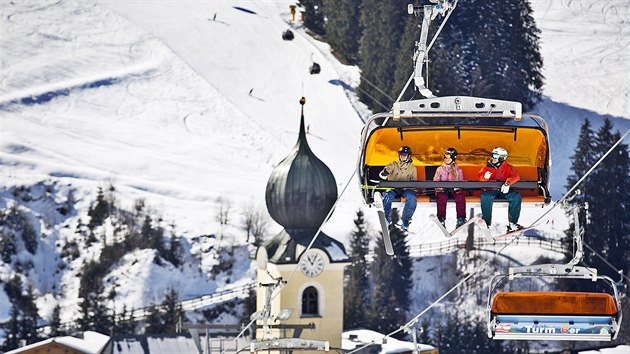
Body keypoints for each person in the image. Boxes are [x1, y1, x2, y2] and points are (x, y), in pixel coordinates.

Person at [478, 147, 522, 232]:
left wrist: (507, 183)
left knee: (516, 196)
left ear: (501, 157)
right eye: (492, 155)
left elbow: (516, 176)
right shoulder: (487, 167)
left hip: (504, 190)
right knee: (485, 196)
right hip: (492, 190)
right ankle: (486, 222)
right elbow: (479, 177)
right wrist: (484, 177)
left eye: (495, 155)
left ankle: (513, 223)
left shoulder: (508, 167)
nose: (493, 157)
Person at [379, 146, 418, 231]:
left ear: (409, 156)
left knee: (411, 196)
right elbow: (382, 174)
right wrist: (384, 173)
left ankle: (405, 221)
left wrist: (413, 190)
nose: (402, 156)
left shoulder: (412, 168)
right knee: (388, 195)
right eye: (401, 154)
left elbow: (414, 182)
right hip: (393, 188)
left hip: (405, 189)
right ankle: (385, 219)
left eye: (404, 154)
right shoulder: (393, 164)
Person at [433, 147, 467, 228]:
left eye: (448, 157)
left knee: (460, 197)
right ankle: (441, 218)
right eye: (445, 157)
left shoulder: (458, 170)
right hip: (443, 190)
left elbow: (461, 182)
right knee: (441, 197)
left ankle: (461, 218)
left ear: (453, 158)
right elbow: (435, 180)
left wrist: (454, 188)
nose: (446, 159)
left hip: (454, 190)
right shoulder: (440, 169)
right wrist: (441, 188)